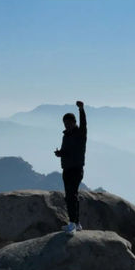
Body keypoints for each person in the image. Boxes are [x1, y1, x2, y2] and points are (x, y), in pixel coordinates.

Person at [54, 100, 87, 233]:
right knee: (71, 195)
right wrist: (60, 153)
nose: (66, 125)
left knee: (71, 196)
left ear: (74, 122)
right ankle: (76, 223)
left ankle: (72, 223)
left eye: (68, 123)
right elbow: (68, 151)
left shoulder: (80, 134)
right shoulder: (66, 136)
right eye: (65, 123)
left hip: (76, 169)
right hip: (67, 168)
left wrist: (81, 109)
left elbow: (84, 123)